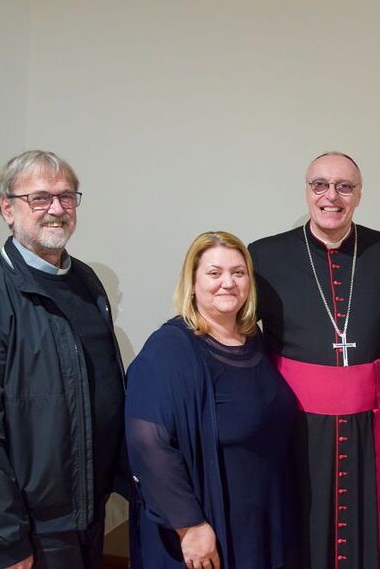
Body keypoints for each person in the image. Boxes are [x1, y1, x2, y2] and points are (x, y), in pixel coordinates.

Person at [0, 150, 127, 569]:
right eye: (39, 198)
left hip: (91, 509)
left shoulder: (85, 282)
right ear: (8, 209)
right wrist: (7, 537)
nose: (56, 209)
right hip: (36, 527)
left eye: (66, 196)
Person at [248, 152, 380, 568]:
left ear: (359, 194)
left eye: (344, 186)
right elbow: (242, 338)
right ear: (307, 191)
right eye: (320, 185)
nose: (331, 196)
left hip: (371, 425)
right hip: (297, 425)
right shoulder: (265, 255)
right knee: (302, 525)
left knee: (369, 529)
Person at [126, 231, 298, 569]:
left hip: (261, 522)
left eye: (238, 272)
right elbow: (147, 444)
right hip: (210, 526)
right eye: (214, 273)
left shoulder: (254, 340)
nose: (228, 283)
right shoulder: (169, 349)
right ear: (192, 283)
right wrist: (190, 526)